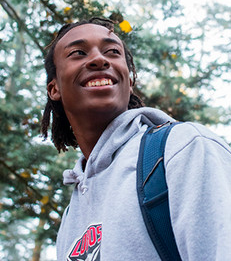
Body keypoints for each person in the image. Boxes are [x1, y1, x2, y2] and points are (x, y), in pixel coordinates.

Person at [41, 17, 231, 260]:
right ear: (54, 88)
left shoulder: (184, 148)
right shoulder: (71, 217)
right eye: (78, 52)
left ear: (129, 81)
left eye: (112, 51)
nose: (100, 59)